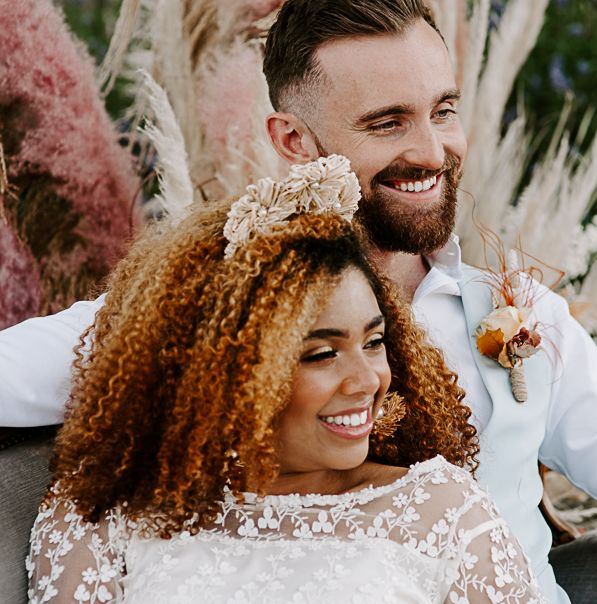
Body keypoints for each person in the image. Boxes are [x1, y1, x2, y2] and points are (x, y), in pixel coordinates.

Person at [2, 0, 597, 602]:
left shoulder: (526, 316)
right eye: (387, 123)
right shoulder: (200, 312)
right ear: (292, 140)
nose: (432, 151)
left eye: (442, 110)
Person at [26, 156, 545, 603]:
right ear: (224, 372)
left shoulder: (444, 512)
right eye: (322, 354)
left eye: (373, 341)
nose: (367, 380)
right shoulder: (103, 511)